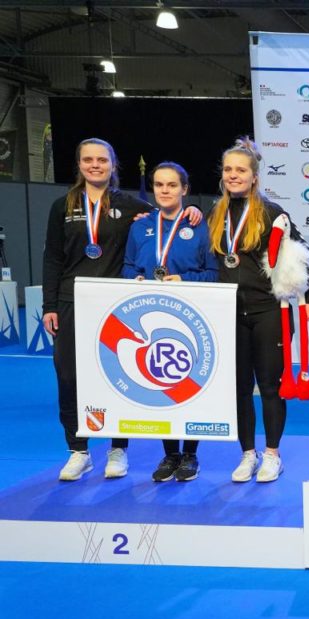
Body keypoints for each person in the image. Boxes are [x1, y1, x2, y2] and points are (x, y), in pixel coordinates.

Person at [42, 138, 200, 482]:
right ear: (79, 164)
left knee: (115, 375)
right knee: (68, 376)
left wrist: (192, 212)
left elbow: (164, 218)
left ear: (113, 165)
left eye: (102, 160)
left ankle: (118, 448)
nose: (95, 165)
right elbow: (52, 257)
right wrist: (49, 305)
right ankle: (78, 451)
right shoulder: (62, 206)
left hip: (113, 305)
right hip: (71, 301)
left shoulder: (131, 206)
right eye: (88, 160)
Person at [209, 137, 309, 483]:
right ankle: (247, 454)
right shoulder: (215, 213)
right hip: (229, 313)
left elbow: (305, 257)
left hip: (268, 312)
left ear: (254, 176)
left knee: (269, 386)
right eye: (228, 169)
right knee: (240, 388)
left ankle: (272, 454)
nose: (233, 175)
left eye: (241, 170)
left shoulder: (272, 212)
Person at [122, 161, 218, 482]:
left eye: (172, 185)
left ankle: (190, 454)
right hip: (151, 317)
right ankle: (170, 454)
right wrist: (134, 279)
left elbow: (214, 273)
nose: (165, 190)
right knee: (161, 382)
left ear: (184, 189)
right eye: (159, 185)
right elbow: (128, 266)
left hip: (191, 317)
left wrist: (185, 279)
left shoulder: (199, 226)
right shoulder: (140, 226)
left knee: (188, 383)